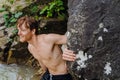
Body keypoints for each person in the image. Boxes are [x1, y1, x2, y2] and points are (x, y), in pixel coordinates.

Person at [17, 16, 76, 80]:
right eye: (18, 30)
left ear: (33, 31)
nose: (19, 33)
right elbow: (43, 62)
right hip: (48, 75)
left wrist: (66, 49)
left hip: (62, 76)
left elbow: (73, 39)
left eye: (22, 30)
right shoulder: (30, 47)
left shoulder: (48, 39)